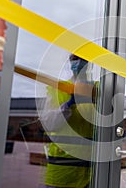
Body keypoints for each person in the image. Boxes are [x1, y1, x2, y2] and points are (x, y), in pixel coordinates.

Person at [39, 54, 95, 188]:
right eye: (74, 59)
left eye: (83, 59)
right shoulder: (58, 88)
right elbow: (49, 124)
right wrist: (68, 105)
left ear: (89, 64)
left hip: (88, 174)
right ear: (69, 63)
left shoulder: (98, 91)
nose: (78, 63)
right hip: (60, 173)